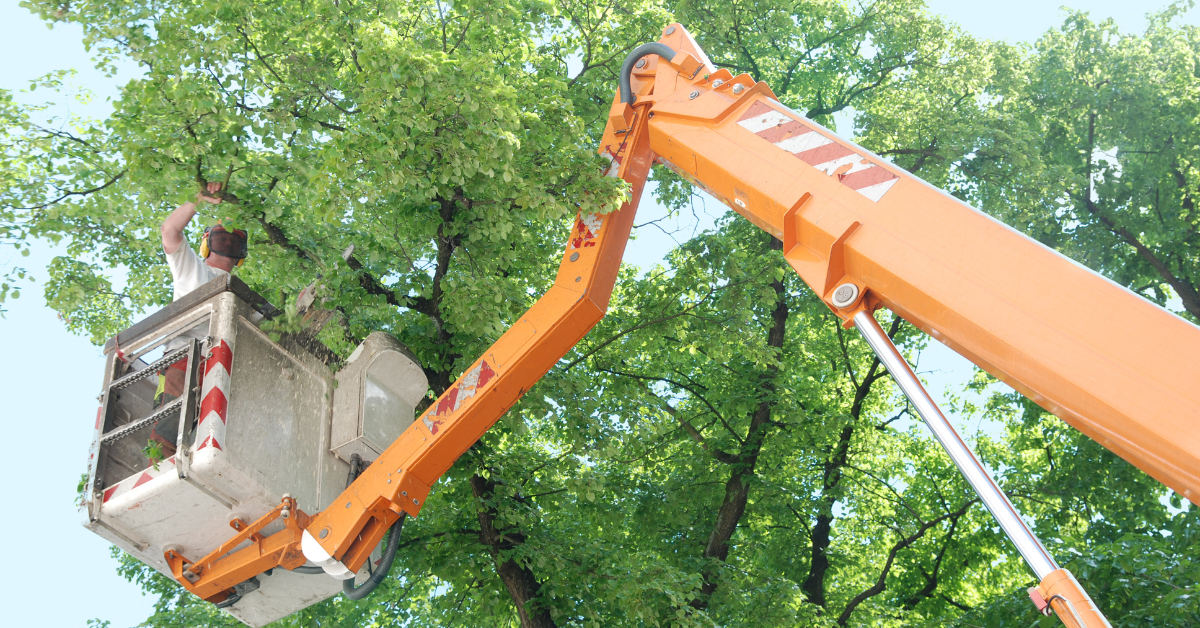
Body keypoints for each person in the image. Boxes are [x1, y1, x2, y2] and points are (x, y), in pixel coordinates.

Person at [153, 181, 248, 409]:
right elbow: (170, 230)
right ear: (206, 243)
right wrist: (199, 198)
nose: (227, 241)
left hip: (224, 368)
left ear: (241, 254)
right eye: (221, 236)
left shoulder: (243, 298)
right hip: (184, 358)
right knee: (169, 430)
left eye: (234, 240)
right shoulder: (191, 267)